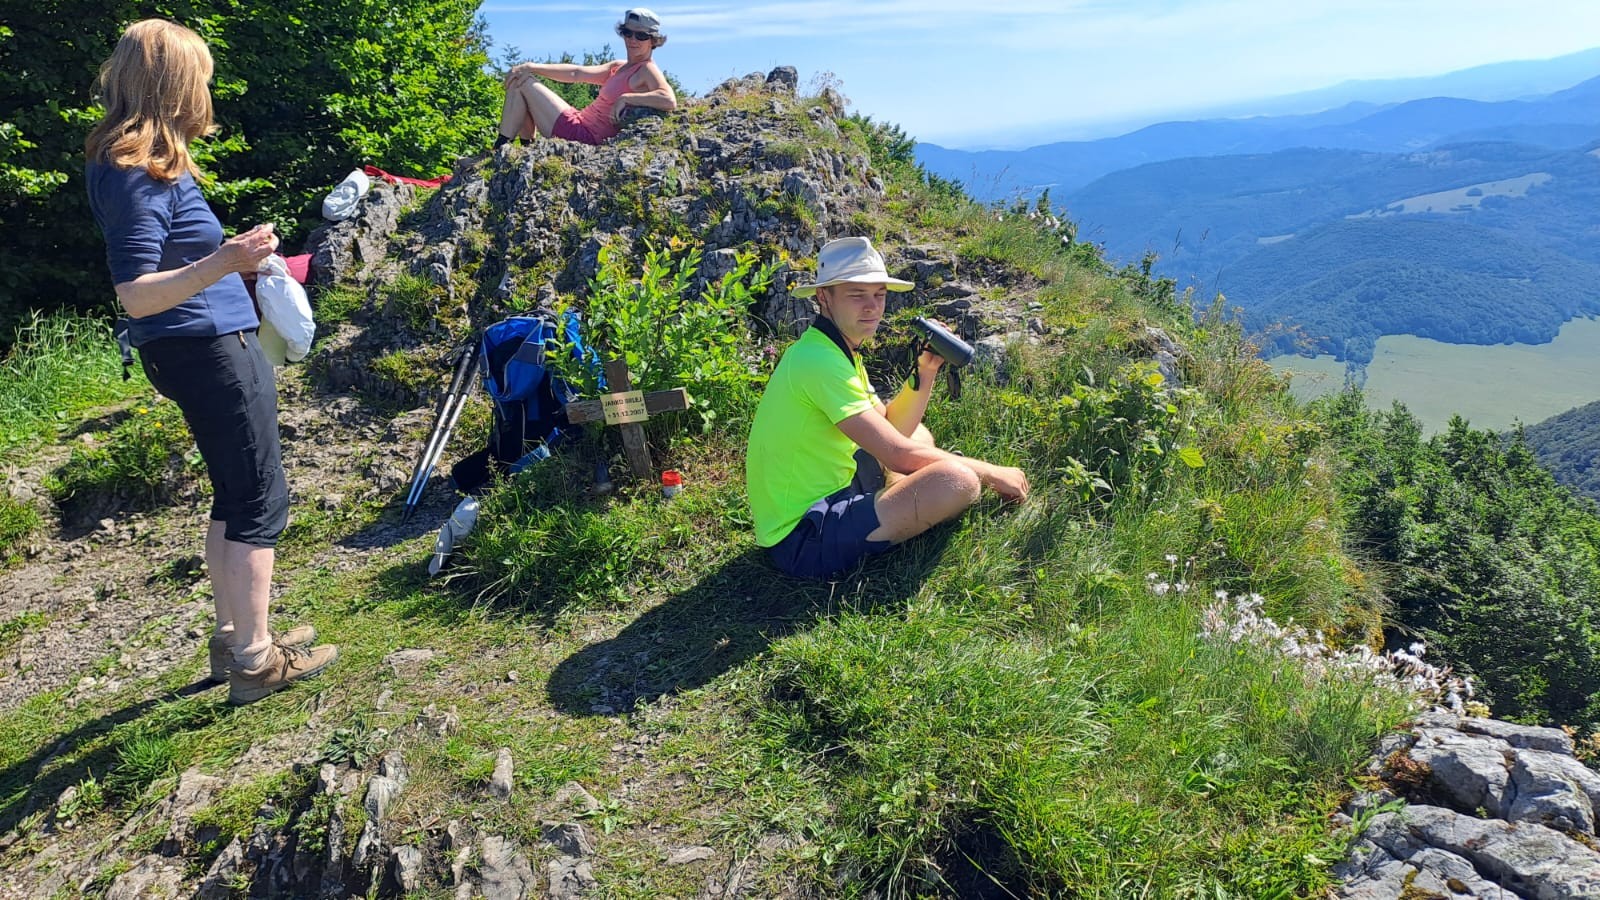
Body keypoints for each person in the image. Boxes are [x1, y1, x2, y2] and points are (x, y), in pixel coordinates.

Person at [84, 19, 337, 705]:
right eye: (200, 75)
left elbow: (165, 263)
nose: (207, 88)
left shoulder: (138, 162)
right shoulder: (138, 173)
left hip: (195, 346)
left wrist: (233, 257)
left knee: (234, 491)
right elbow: (136, 293)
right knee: (259, 496)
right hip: (206, 349)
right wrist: (228, 260)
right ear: (173, 82)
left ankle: (234, 637)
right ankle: (257, 661)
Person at [746, 237, 1031, 579]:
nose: (872, 307)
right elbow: (896, 450)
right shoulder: (818, 361)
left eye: (879, 295)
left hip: (830, 494)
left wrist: (926, 370)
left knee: (921, 437)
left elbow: (894, 428)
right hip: (802, 537)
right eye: (857, 295)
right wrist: (993, 473)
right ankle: (899, 495)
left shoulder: (834, 350)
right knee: (958, 482)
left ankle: (895, 493)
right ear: (824, 297)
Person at [495, 8, 677, 148]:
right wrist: (531, 66)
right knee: (521, 77)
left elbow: (669, 99)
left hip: (585, 137)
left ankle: (499, 150)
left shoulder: (647, 70)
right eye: (628, 33)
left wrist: (626, 98)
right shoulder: (619, 66)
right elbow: (576, 73)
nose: (632, 40)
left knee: (521, 82)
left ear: (653, 41)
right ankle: (525, 147)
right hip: (579, 121)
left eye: (641, 35)